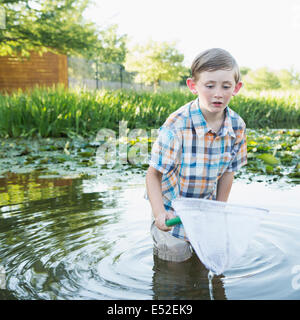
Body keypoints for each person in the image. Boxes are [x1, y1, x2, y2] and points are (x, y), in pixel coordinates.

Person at [145, 48, 247, 262]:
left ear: (236, 88)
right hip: (172, 214)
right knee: (176, 264)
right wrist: (159, 214)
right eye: (209, 86)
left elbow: (228, 172)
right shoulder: (177, 125)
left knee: (206, 265)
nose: (218, 93)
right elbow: (153, 174)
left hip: (204, 214)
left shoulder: (237, 126)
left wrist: (219, 210)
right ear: (193, 86)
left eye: (225, 86)